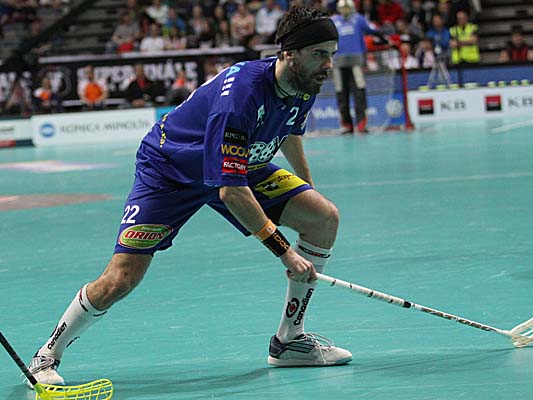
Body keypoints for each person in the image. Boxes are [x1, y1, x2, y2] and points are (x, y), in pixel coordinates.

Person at [27, 5, 351, 388]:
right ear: (289, 53)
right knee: (121, 279)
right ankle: (46, 355)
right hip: (171, 171)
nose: (328, 65)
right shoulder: (242, 96)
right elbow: (232, 191)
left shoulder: (303, 81)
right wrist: (286, 252)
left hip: (238, 162)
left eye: (331, 54)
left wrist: (307, 187)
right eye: (319, 54)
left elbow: (289, 130)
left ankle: (289, 341)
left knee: (323, 217)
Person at [332, 0, 387, 134]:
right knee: (341, 92)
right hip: (338, 62)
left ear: (352, 8)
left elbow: (373, 29)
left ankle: (361, 123)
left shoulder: (358, 19)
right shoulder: (333, 21)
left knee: (359, 91)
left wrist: (384, 39)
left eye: (348, 8)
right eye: (343, 8)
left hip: (356, 61)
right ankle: (346, 124)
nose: (345, 10)